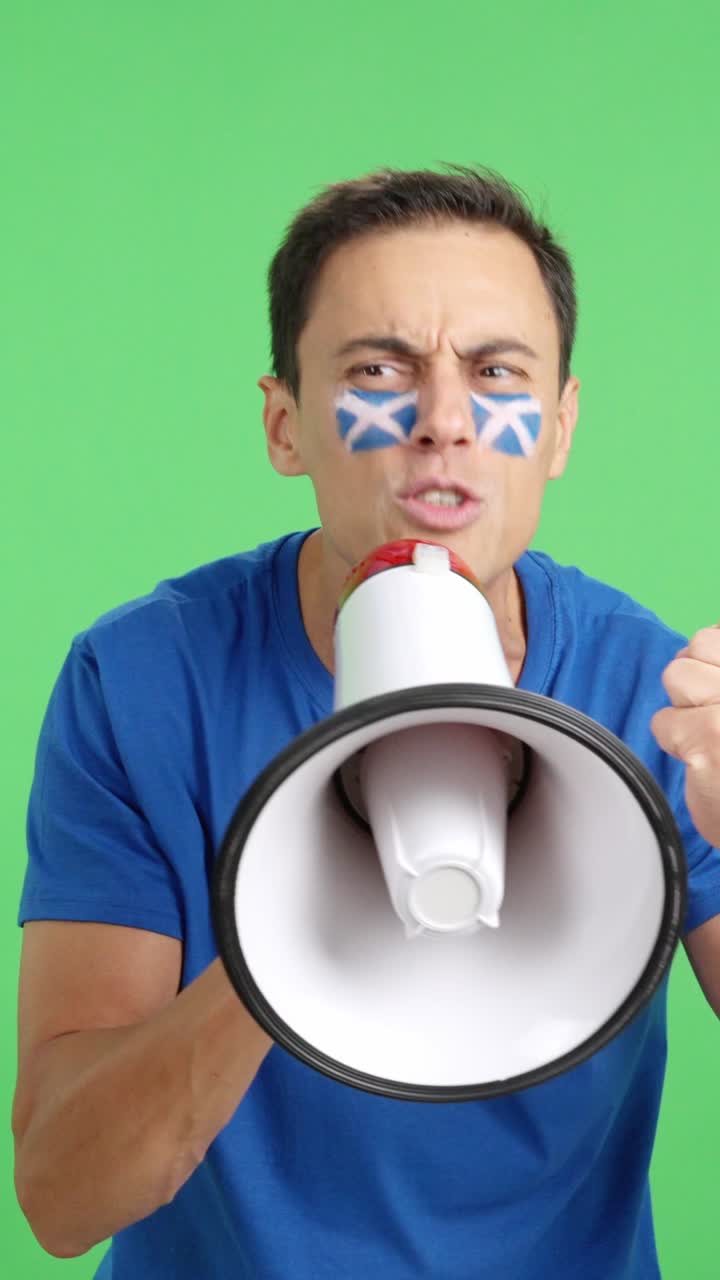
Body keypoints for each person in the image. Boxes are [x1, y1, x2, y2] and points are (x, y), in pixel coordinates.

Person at [12, 164, 720, 1279]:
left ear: (560, 429)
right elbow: (61, 1193)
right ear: (285, 423)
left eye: (496, 372)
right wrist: (290, 944)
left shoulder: (659, 693)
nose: (443, 421)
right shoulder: (141, 682)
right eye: (381, 369)